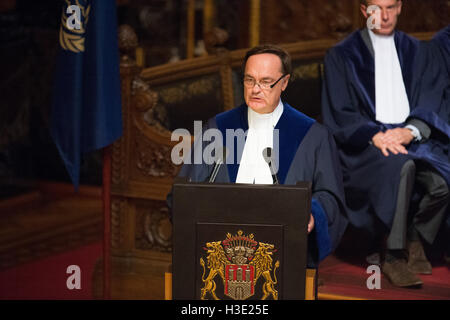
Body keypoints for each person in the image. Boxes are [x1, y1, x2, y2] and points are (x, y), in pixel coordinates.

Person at [168, 44, 348, 267]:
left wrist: (312, 213)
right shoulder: (218, 128)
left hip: (282, 257)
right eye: (249, 80)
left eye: (265, 81)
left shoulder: (313, 135)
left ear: (284, 83)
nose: (255, 89)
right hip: (219, 252)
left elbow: (330, 197)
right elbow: (183, 192)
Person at [321, 0, 449, 287]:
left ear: (401, 7)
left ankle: (416, 235)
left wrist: (412, 130)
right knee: (400, 167)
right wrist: (374, 135)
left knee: (441, 184)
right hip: (368, 145)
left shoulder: (419, 51)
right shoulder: (342, 55)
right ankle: (393, 255)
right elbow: (340, 111)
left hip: (412, 137)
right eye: (377, 8)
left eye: (391, 6)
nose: (385, 15)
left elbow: (432, 99)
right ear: (364, 11)